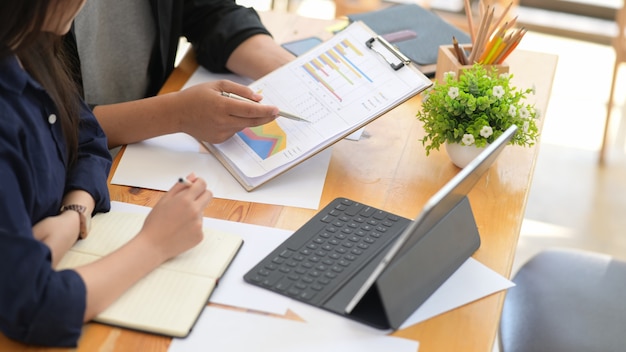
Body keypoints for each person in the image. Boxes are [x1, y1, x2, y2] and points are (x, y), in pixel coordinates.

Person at [0, 0, 213, 347]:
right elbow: (36, 307)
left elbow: (87, 139)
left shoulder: (31, 49)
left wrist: (74, 213)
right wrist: (154, 243)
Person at [65, 0, 297, 148]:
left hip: (147, 143)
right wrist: (178, 115)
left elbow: (209, 10)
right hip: (72, 172)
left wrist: (293, 70)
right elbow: (44, 126)